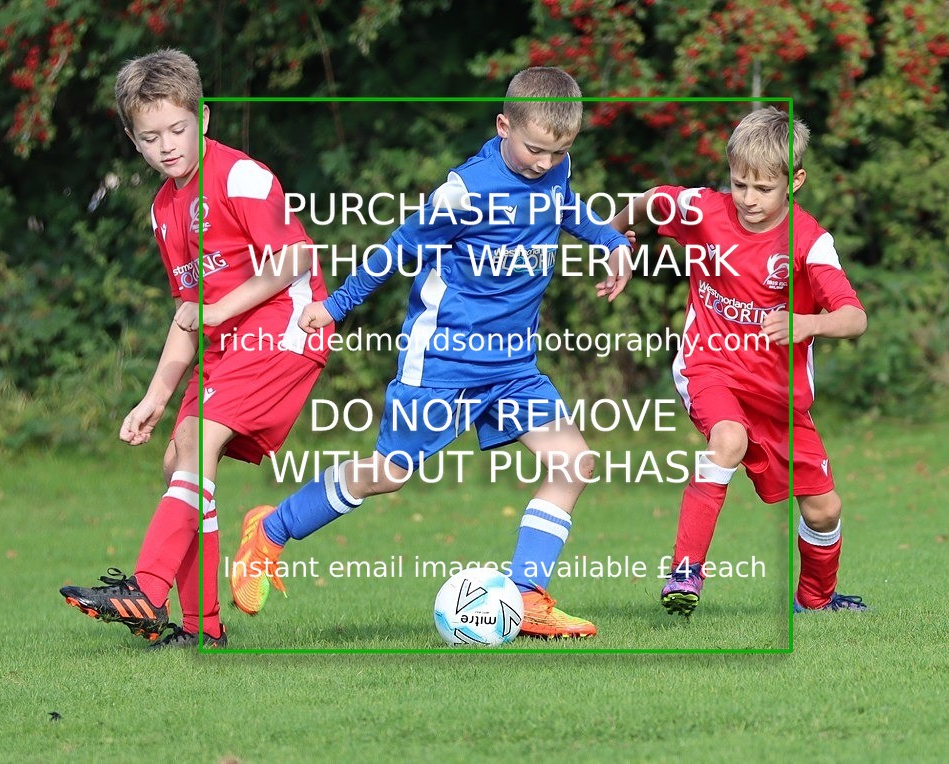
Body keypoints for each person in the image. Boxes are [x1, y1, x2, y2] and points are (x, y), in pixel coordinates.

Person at [230, 66, 632, 639]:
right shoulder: (463, 192)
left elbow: (565, 207)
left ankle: (526, 598)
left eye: (559, 150)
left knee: (574, 462)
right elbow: (397, 249)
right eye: (536, 149)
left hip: (512, 365)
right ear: (503, 126)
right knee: (389, 474)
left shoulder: (555, 167)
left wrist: (612, 242)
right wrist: (336, 306)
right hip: (443, 359)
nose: (546, 163)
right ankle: (271, 529)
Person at [59, 48, 331, 647]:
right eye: (151, 136)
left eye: (178, 129)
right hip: (228, 342)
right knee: (179, 455)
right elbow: (189, 313)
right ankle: (201, 629)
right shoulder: (164, 208)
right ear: (134, 140)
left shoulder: (240, 176)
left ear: (203, 118)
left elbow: (295, 258)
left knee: (200, 440)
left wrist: (220, 310)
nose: (167, 146)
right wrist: (155, 396)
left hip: (285, 327)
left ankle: (146, 590)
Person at [611, 106, 868, 616]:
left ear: (794, 180)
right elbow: (652, 201)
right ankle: (685, 574)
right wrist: (613, 239)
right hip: (710, 365)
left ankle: (815, 602)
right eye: (739, 184)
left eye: (762, 188)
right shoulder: (704, 211)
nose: (748, 199)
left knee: (824, 509)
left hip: (777, 394)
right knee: (728, 440)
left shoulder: (810, 241)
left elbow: (854, 317)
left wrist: (808, 324)